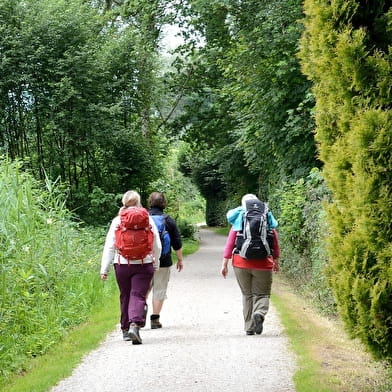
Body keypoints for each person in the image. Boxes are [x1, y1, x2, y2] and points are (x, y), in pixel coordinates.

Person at [100, 190, 161, 344]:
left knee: (125, 295)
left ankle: (126, 329)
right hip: (144, 263)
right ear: (138, 202)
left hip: (122, 264)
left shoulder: (118, 220)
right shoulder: (147, 219)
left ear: (124, 202)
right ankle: (135, 324)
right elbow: (157, 244)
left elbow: (110, 246)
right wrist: (156, 262)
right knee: (138, 295)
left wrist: (104, 269)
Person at [221, 193, 280, 335]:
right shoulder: (266, 217)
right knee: (262, 294)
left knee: (247, 294)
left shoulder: (239, 218)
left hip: (241, 262)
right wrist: (276, 261)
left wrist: (224, 263)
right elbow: (275, 241)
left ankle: (249, 327)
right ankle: (259, 313)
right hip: (263, 263)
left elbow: (230, 243)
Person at [147, 192, 184, 329]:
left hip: (144, 261)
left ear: (150, 202)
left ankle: (138, 316)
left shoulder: (143, 218)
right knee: (159, 289)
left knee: (143, 289)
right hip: (163, 261)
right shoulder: (168, 220)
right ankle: (155, 320)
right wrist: (180, 259)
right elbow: (177, 242)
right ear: (164, 203)